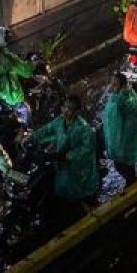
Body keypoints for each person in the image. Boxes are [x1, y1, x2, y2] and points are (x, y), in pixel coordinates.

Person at [30, 94, 100, 223]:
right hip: (62, 161)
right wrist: (30, 137)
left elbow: (87, 148)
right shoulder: (59, 121)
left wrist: (71, 155)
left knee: (76, 191)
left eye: (69, 109)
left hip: (79, 167)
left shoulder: (84, 129)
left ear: (77, 111)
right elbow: (46, 130)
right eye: (64, 107)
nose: (65, 110)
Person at [101, 72, 137, 186]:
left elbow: (132, 115)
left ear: (122, 85)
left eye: (115, 84)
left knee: (121, 164)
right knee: (126, 164)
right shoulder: (122, 96)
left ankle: (133, 182)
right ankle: (132, 180)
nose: (112, 87)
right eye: (112, 84)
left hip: (124, 139)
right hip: (122, 139)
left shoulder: (124, 99)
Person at [0, 27, 34, 122]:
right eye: (6, 38)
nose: (8, 40)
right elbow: (26, 72)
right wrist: (32, 64)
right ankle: (29, 127)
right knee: (27, 115)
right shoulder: (5, 58)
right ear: (1, 40)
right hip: (11, 96)